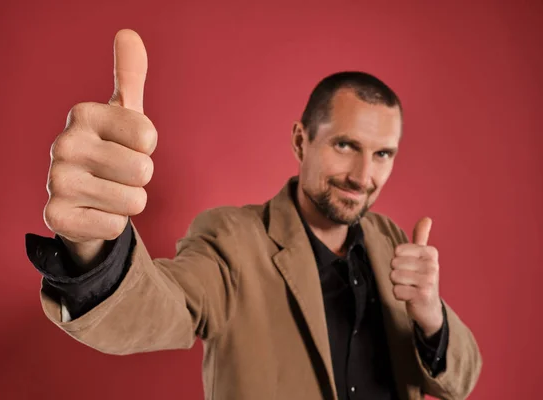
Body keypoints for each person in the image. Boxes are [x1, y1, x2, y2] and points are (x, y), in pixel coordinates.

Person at [25, 29, 482, 400]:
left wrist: (431, 314)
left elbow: (460, 382)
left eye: (383, 154)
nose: (364, 175)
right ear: (302, 141)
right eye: (346, 145)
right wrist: (95, 246)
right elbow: (162, 308)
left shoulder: (393, 240)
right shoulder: (231, 238)